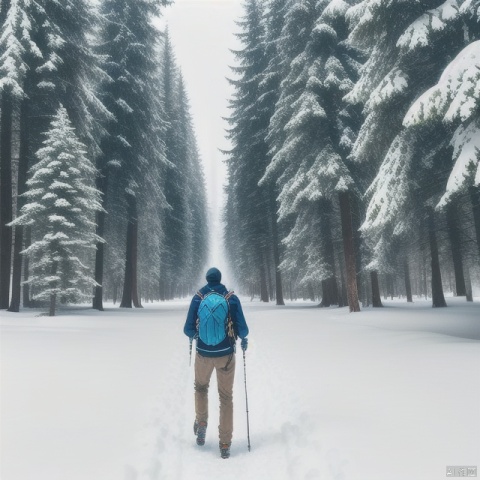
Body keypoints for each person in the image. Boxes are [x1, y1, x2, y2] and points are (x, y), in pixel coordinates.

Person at [184, 267, 249, 459]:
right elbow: (243, 330)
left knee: (201, 388)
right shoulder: (231, 298)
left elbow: (187, 329)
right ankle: (225, 443)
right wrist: (242, 339)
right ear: (220, 280)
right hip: (226, 355)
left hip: (203, 354)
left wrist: (197, 335)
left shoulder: (198, 298)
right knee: (226, 397)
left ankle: (202, 422)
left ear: (207, 279)